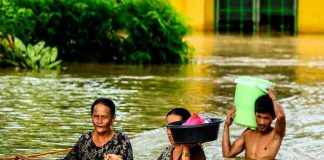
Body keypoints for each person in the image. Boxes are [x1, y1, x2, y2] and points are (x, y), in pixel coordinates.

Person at [222, 87, 286, 159]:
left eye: (266, 118)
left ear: (273, 117)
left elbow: (280, 116)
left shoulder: (276, 135)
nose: (261, 122)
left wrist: (273, 97)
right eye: (259, 116)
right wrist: (226, 126)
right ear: (255, 114)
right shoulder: (248, 133)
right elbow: (227, 155)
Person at [62, 98, 133, 160]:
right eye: (96, 116)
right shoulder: (85, 138)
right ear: (91, 116)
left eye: (104, 117)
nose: (99, 121)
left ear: (113, 118)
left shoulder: (122, 141)